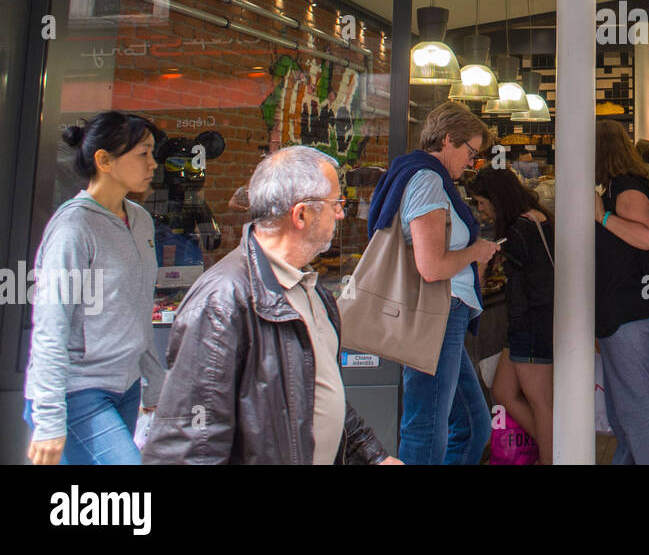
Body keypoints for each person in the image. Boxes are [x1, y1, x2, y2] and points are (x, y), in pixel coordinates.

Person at [143, 145, 398, 464]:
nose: (341, 213)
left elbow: (314, 393)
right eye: (336, 203)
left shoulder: (312, 291)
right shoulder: (222, 300)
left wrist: (373, 456)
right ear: (302, 214)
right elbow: (189, 446)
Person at [24, 113, 166, 465]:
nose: (153, 163)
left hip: (126, 386)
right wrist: (49, 419)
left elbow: (136, 308)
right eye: (143, 154)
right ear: (104, 160)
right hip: (78, 390)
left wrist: (154, 380)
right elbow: (50, 327)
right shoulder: (74, 228)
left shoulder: (140, 219)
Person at [367, 101, 500, 465]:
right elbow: (432, 266)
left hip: (444, 312)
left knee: (473, 424)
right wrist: (476, 251)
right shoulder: (427, 180)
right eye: (470, 151)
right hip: (437, 311)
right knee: (427, 426)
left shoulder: (421, 175)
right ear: (447, 140)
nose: (472, 162)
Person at [594, 119, 649, 464]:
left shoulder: (626, 188)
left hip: (629, 311)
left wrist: (601, 218)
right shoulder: (622, 186)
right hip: (626, 311)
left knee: (643, 409)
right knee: (627, 412)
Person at [467, 167, 556, 464]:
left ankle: (553, 456)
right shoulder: (536, 217)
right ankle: (555, 446)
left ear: (496, 198)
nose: (481, 210)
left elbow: (485, 264)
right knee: (504, 390)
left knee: (541, 402)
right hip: (530, 321)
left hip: (531, 321)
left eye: (481, 202)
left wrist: (480, 265)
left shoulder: (518, 230)